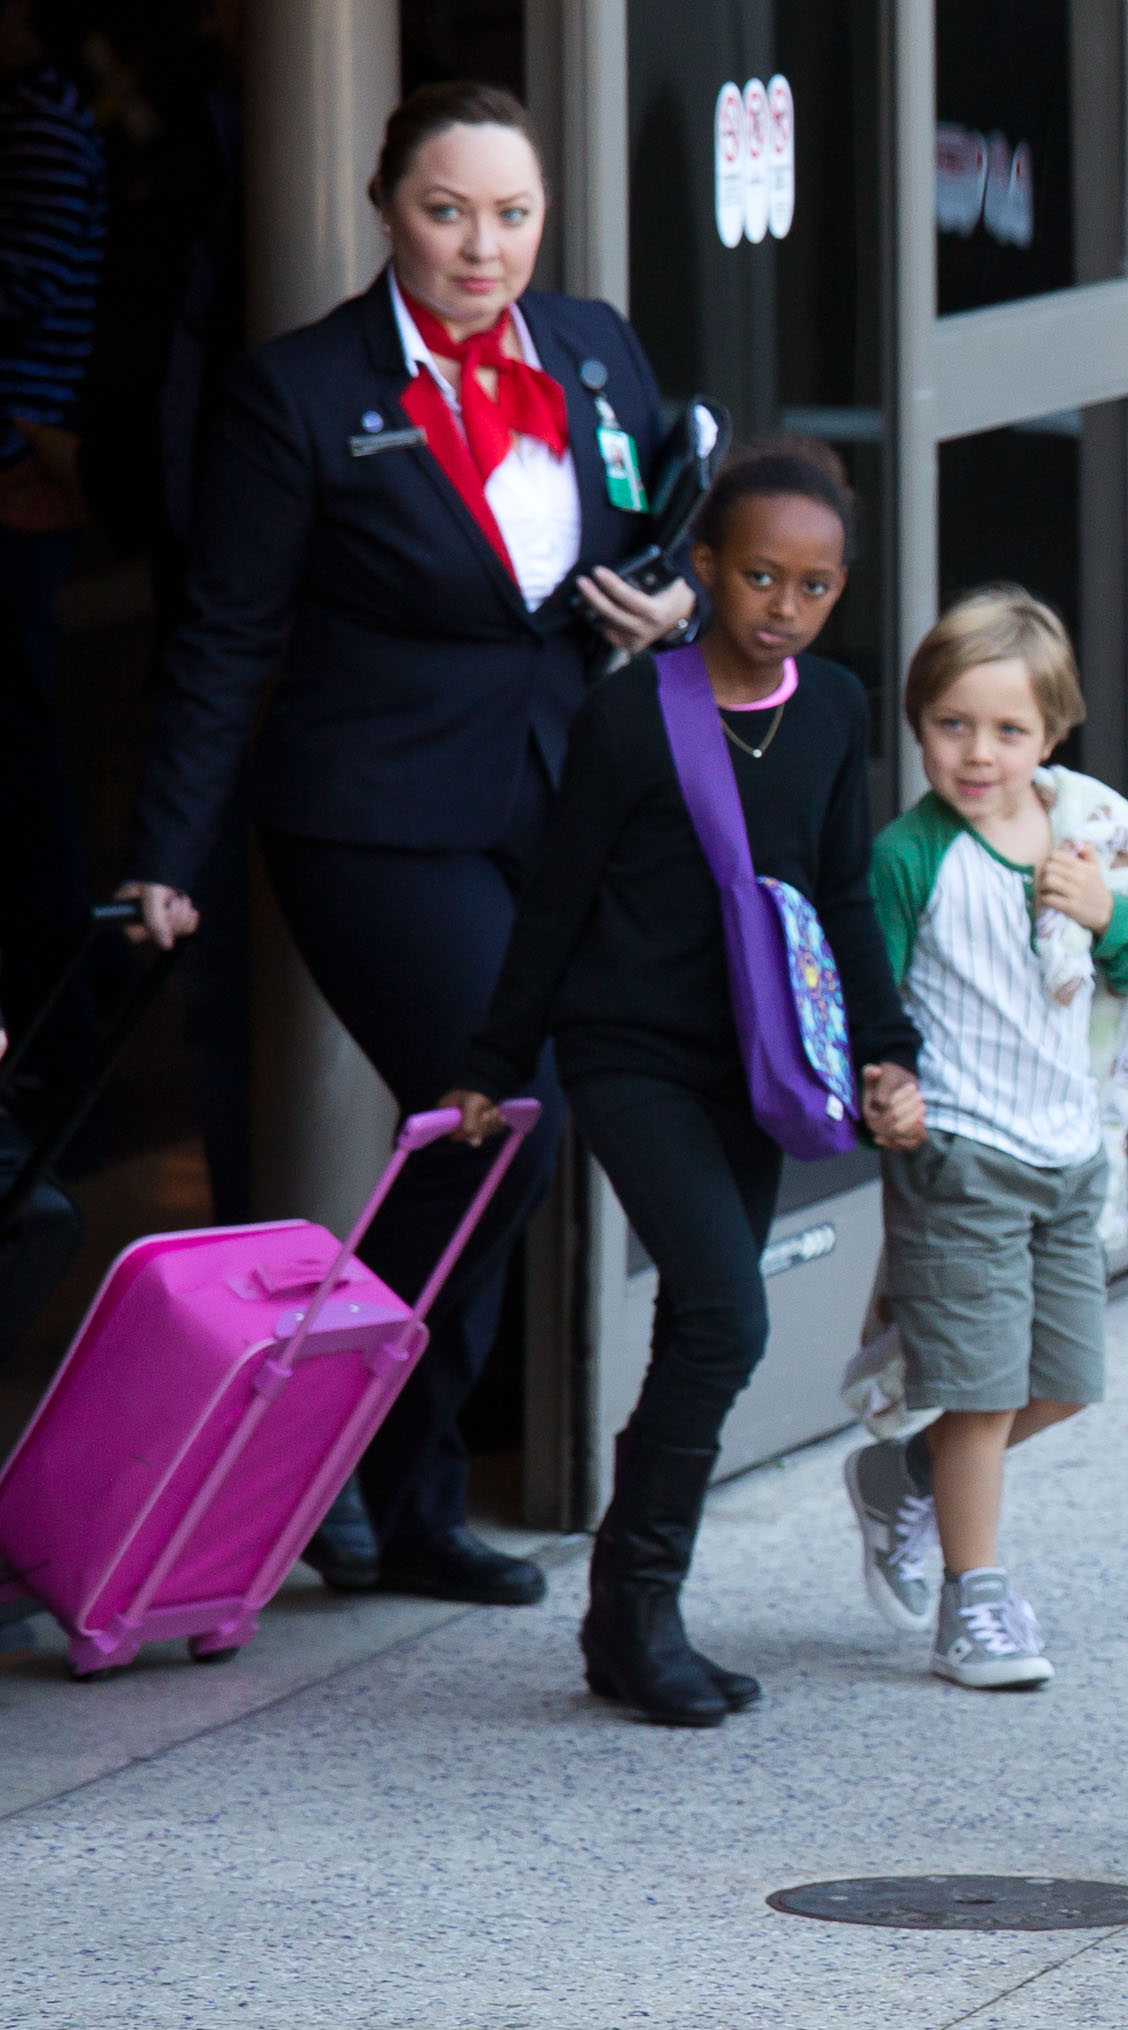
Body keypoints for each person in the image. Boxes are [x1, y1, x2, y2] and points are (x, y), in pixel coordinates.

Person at [118, 82, 699, 1605]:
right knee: (507, 1119)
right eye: (447, 210)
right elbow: (223, 640)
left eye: (511, 213)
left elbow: (656, 530)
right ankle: (380, 1478)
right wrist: (166, 851)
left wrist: (677, 608)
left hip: (560, 794)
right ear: (387, 204)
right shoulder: (297, 395)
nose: (480, 245)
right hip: (372, 816)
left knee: (507, 1142)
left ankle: (381, 1478)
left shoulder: (593, 348)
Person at [446, 437, 924, 1726]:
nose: (786, 608)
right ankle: (636, 1608)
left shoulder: (828, 710)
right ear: (704, 568)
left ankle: (629, 1625)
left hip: (761, 1067)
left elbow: (837, 899)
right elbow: (552, 901)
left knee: (700, 1329)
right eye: (761, 577)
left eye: (816, 587)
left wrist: (888, 1052)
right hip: (632, 1055)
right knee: (727, 1314)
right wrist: (497, 1064)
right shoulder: (629, 716)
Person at [837, 586, 1128, 1692]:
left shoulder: (1080, 837)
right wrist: (889, 1092)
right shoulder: (908, 856)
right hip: (962, 1156)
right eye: (953, 725)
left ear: (1053, 733)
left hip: (1067, 1155)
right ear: (919, 720)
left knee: (1066, 1379)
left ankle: (905, 1479)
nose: (978, 754)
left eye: (1009, 731)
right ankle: (972, 1599)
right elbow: (868, 1000)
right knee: (979, 1393)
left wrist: (1103, 914)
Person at [0, 1, 109, 1111]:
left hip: (21, 493)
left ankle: (59, 1055)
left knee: (26, 785)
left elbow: (27, 297)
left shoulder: (37, 125)